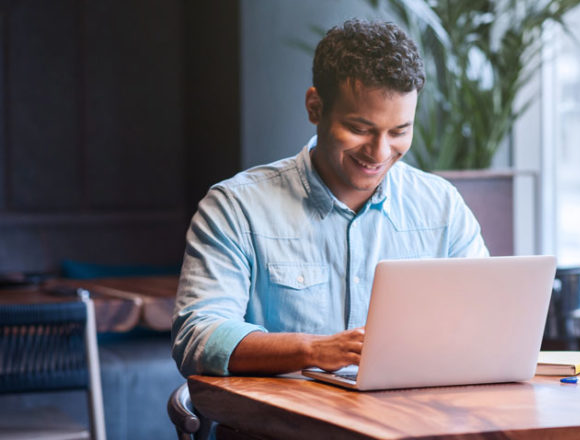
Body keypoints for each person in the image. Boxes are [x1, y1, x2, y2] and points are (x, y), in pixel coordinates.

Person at [172, 19, 488, 378]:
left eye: (399, 131)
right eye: (360, 129)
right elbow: (198, 337)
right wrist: (315, 350)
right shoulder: (236, 208)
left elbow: (485, 326)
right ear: (315, 108)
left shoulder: (442, 207)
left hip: (409, 423)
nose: (379, 152)